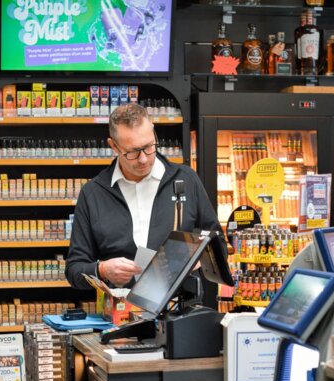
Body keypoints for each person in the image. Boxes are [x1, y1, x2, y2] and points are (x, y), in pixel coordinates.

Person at [65, 103, 220, 289]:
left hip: (179, 311)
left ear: (154, 133)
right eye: (132, 152)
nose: (144, 159)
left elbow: (218, 244)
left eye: (148, 147)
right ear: (113, 146)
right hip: (120, 313)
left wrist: (199, 261)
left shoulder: (187, 180)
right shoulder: (93, 193)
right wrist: (102, 270)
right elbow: (74, 269)